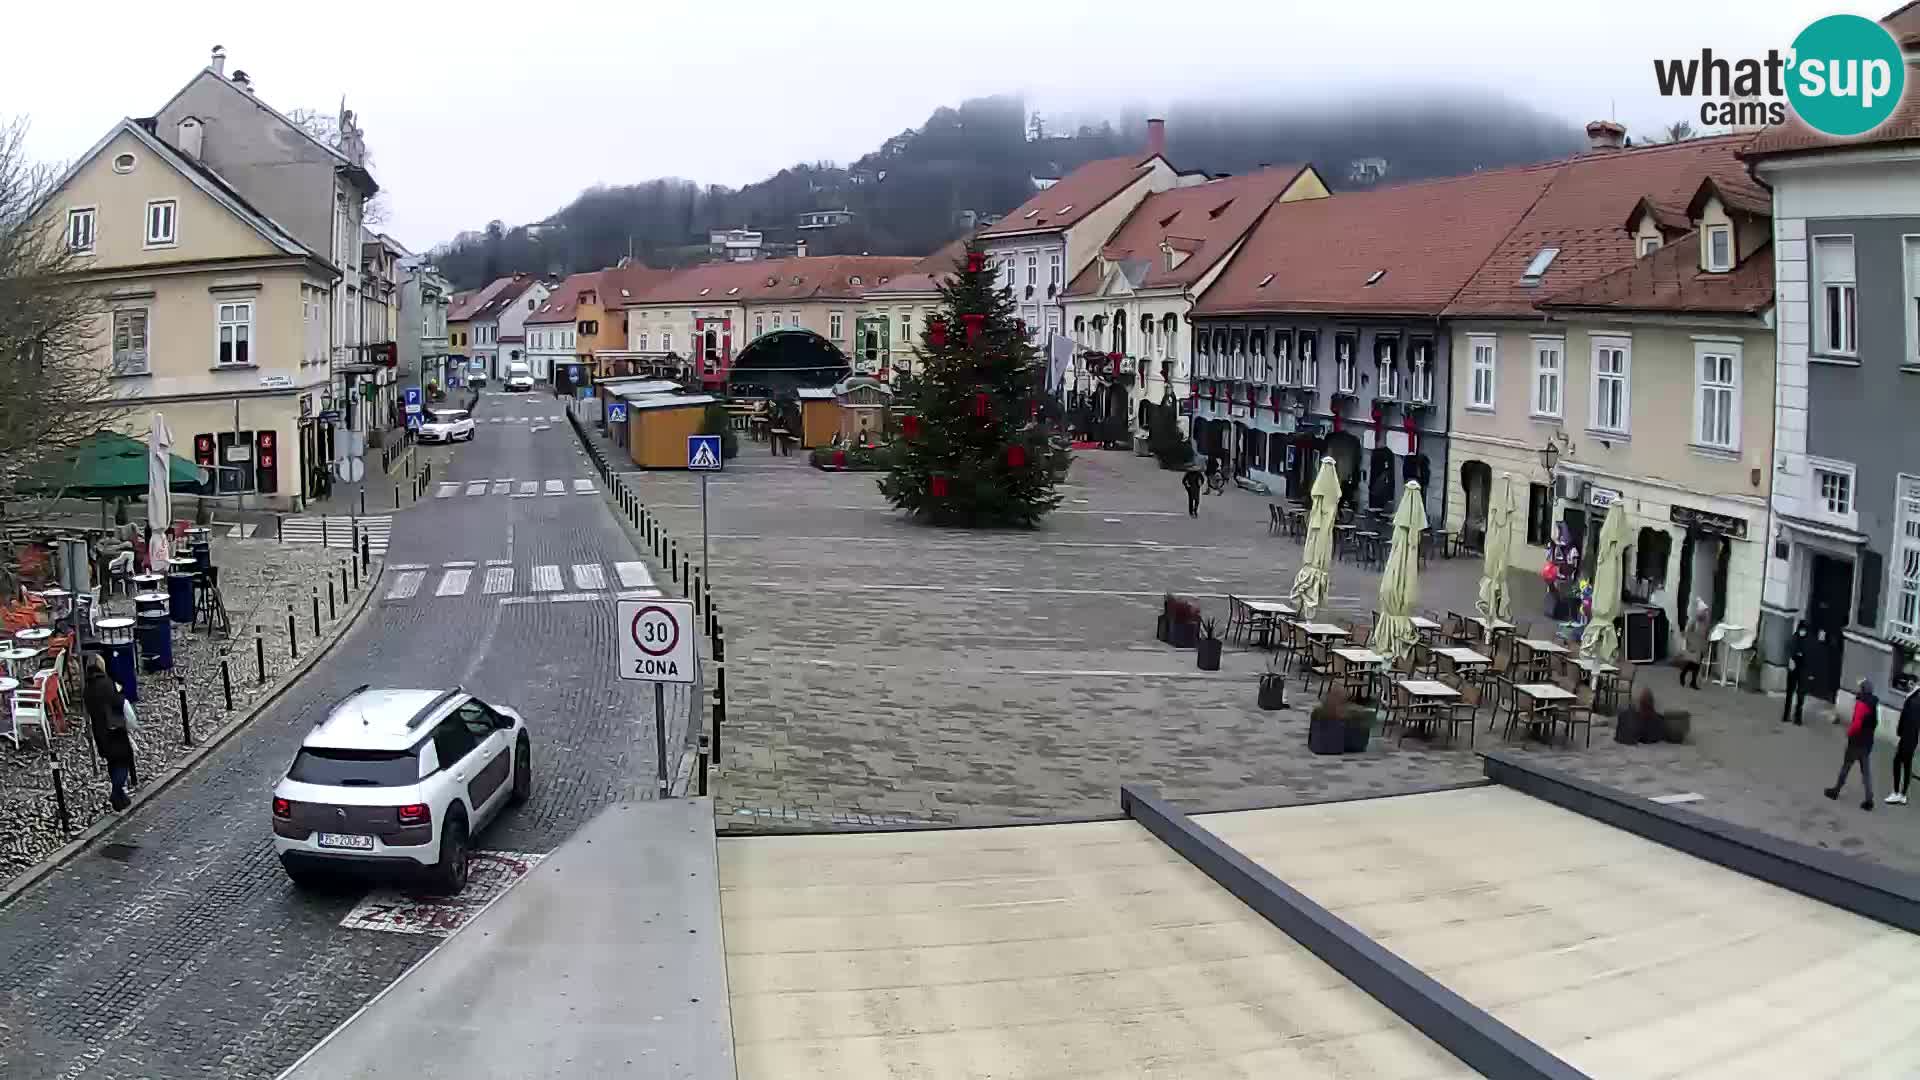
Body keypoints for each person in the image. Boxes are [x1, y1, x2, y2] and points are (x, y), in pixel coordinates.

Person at [83, 654, 136, 811]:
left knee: (112, 762)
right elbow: (116, 702)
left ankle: (120, 799)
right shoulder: (107, 683)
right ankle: (116, 792)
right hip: (114, 730)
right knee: (123, 760)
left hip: (100, 732)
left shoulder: (88, 689)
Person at [1825, 678, 1880, 810]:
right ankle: (1869, 799)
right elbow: (1875, 723)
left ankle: (1835, 791)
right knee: (1866, 772)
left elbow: (1856, 724)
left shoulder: (1862, 704)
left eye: (1860, 687)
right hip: (1867, 743)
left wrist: (1849, 733)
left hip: (1856, 742)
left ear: (1863, 690)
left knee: (1846, 767)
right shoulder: (1873, 704)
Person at [1889, 689, 1920, 805]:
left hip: (1907, 738)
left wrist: (1899, 734)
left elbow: (1905, 719)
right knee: (1907, 765)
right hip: (1913, 738)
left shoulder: (1913, 700)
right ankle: (1903, 795)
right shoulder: (1914, 697)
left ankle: (1897, 792)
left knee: (1897, 762)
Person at [1783, 620, 1814, 725]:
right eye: (1801, 630)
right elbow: (1788, 649)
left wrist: (1810, 673)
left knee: (1801, 694)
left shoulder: (1808, 641)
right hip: (1793, 669)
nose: (1802, 632)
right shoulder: (1794, 638)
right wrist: (1793, 657)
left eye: (1804, 630)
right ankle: (1786, 714)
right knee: (1789, 692)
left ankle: (1798, 717)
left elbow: (1810, 657)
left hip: (1802, 670)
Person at [1676, 598, 1710, 689]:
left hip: (1700, 646)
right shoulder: (1693, 621)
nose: (1705, 614)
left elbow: (1705, 635)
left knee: (1697, 665)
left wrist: (1705, 647)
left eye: (1706, 612)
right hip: (1693, 645)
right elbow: (1688, 633)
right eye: (1704, 612)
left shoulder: (1705, 622)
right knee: (1692, 663)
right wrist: (1689, 645)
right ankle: (1683, 674)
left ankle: (1693, 682)